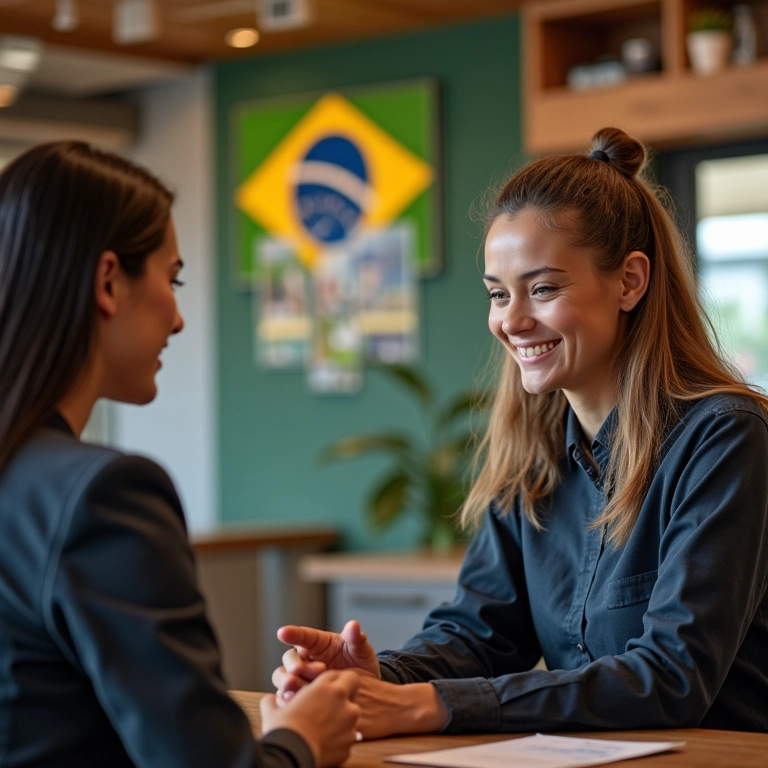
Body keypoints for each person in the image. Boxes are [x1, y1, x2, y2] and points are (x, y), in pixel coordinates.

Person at [273, 127, 768, 736]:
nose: (512, 320)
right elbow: (478, 635)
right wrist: (380, 678)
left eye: (543, 288)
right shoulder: (533, 453)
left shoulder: (726, 438)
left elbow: (671, 678)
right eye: (497, 294)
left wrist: (433, 705)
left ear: (630, 282)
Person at [0, 141, 361, 768]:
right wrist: (302, 739)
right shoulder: (102, 495)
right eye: (173, 279)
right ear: (108, 281)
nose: (179, 320)